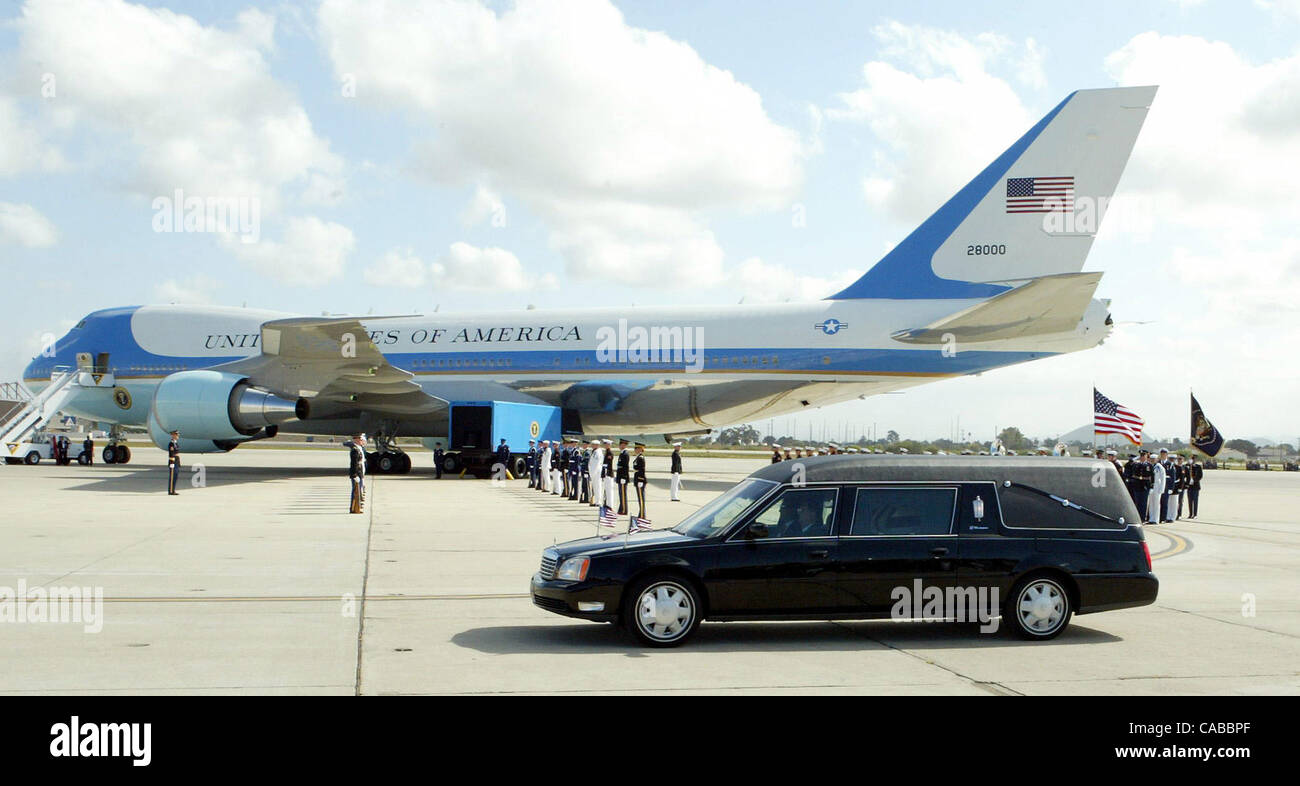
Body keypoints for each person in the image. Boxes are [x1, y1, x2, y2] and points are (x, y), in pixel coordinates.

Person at [348, 433, 366, 513]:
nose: (361, 440)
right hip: (356, 473)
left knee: (358, 492)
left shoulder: (358, 448)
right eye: (360, 439)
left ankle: (357, 508)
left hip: (359, 472)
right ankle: (353, 508)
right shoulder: (355, 450)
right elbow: (354, 464)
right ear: (356, 439)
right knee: (355, 492)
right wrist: (354, 475)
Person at [1147, 451, 1165, 525]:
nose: (1152, 460)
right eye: (1151, 459)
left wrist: (1162, 489)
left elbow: (1163, 479)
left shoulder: (1160, 467)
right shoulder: (1149, 466)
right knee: (1151, 503)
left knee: (1156, 504)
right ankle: (1151, 518)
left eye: (1154, 459)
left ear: (1157, 459)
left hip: (1157, 487)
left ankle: (1156, 519)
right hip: (1151, 487)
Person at [632, 442, 648, 518]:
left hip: (640, 480)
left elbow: (642, 470)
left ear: (640, 449)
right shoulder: (638, 457)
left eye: (636, 448)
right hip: (638, 479)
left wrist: (640, 480)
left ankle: (642, 515)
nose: (635, 450)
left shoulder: (640, 458)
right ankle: (641, 513)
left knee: (641, 498)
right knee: (640, 498)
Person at [615, 439, 631, 515]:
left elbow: (625, 467)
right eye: (620, 444)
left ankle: (624, 510)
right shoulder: (622, 453)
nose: (620, 446)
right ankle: (621, 508)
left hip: (623, 477)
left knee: (623, 494)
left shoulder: (625, 454)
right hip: (620, 476)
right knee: (621, 494)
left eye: (622, 444)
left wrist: (624, 477)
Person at [587, 439, 604, 507]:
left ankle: (598, 501)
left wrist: (592, 473)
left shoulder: (597, 452)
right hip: (594, 472)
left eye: (593, 444)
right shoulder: (594, 452)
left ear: (597, 445)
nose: (592, 445)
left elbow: (596, 464)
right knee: (595, 487)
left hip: (596, 472)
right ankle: (596, 501)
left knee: (598, 487)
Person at [167, 429, 181, 495]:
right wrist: (172, 463)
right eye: (177, 434)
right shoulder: (171, 443)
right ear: (173, 435)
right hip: (173, 461)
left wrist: (178, 463)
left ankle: (173, 490)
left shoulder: (175, 443)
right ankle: (171, 491)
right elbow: (171, 453)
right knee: (172, 477)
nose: (178, 435)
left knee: (175, 476)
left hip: (176, 461)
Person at [602, 439, 615, 508]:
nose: (606, 445)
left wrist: (606, 473)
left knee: (609, 490)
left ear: (610, 445)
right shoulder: (606, 452)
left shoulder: (609, 453)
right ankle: (606, 503)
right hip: (606, 473)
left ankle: (609, 505)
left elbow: (608, 465)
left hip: (608, 473)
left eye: (607, 444)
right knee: (606, 490)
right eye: (605, 444)